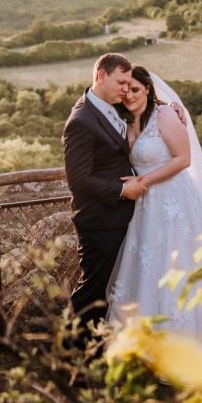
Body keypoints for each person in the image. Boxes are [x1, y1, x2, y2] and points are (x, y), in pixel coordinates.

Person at [106, 66, 202, 382]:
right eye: (126, 91)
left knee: (180, 268)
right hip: (147, 207)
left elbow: (183, 159)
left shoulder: (166, 115)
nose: (130, 96)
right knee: (149, 269)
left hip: (175, 203)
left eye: (136, 90)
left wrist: (144, 179)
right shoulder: (129, 121)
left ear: (150, 91)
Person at [62, 54, 183, 331]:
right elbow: (78, 180)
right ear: (101, 76)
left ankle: (95, 347)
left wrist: (172, 107)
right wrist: (122, 189)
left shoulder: (113, 108)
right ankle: (73, 353)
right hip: (100, 220)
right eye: (121, 82)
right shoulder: (81, 120)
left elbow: (149, 116)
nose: (126, 90)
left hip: (125, 217)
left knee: (112, 288)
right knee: (93, 291)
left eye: (130, 84)